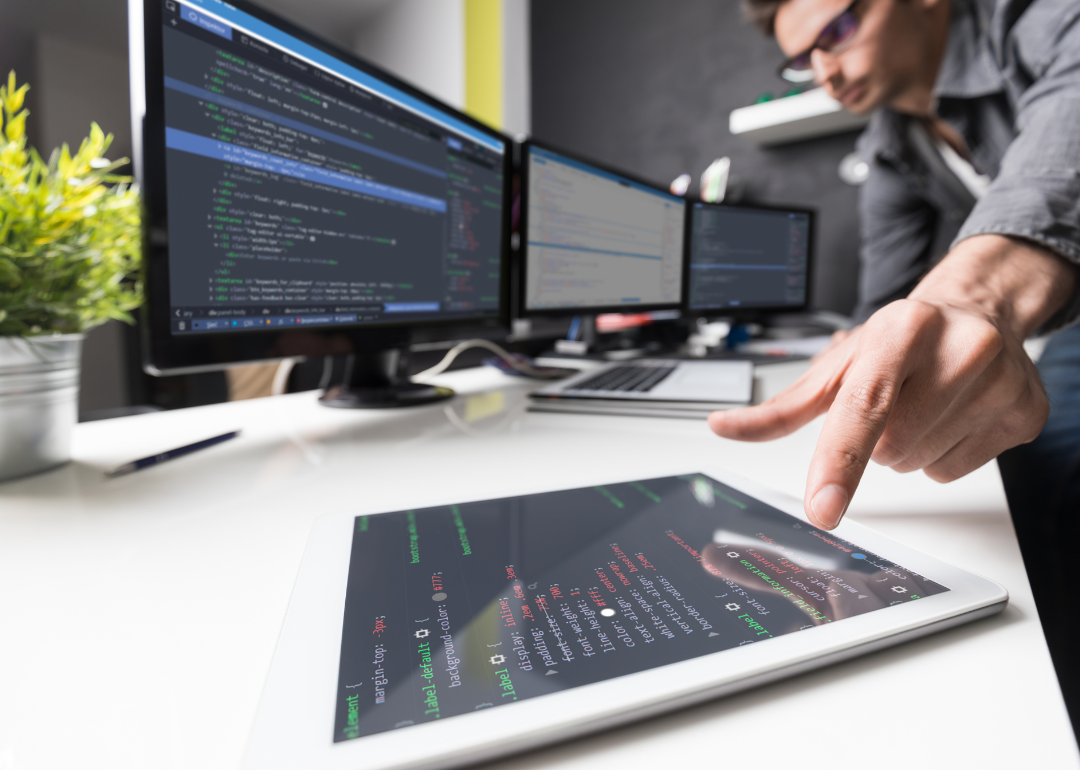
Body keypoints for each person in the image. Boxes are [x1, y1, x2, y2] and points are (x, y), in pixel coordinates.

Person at [723, 0, 1080, 734]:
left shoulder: (1037, 18)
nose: (823, 68)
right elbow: (882, 302)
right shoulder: (893, 142)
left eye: (837, 32)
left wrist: (973, 293)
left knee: (1046, 461)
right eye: (803, 57)